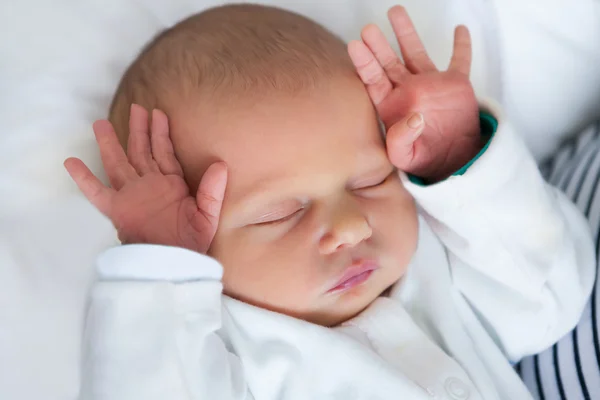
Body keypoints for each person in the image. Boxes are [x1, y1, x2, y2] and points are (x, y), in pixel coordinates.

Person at [64, 4, 596, 399]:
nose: (351, 226)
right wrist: (159, 273)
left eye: (371, 181)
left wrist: (460, 158)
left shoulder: (434, 273)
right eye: (282, 212)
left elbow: (549, 298)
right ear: (193, 245)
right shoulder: (225, 356)